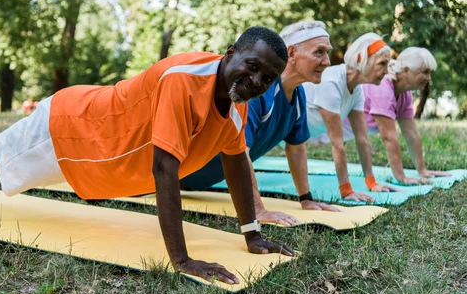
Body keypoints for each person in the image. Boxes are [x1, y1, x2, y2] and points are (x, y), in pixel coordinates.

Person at [0, 26, 295, 285]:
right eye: (252, 65)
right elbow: (164, 169)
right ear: (230, 53)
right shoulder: (183, 81)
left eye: (268, 78)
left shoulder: (235, 107)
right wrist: (181, 259)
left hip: (93, 157)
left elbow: (236, 162)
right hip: (73, 128)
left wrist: (252, 233)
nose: (256, 80)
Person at [181, 21, 341, 226]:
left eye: (327, 53)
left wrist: (306, 199)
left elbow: (296, 149)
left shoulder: (298, 95)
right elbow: (240, 152)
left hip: (197, 184)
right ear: (291, 53)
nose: (327, 62)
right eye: (319, 52)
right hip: (175, 174)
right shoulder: (257, 91)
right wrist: (256, 209)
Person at [303, 33, 400, 203]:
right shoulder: (331, 82)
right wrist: (347, 191)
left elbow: (362, 139)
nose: (386, 71)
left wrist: (372, 182)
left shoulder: (356, 89)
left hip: (296, 136)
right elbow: (337, 144)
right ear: (361, 59)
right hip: (278, 129)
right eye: (382, 64)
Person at [360, 47, 450, 184]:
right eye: (425, 72)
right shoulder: (382, 88)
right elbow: (388, 137)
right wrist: (402, 178)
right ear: (406, 70)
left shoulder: (405, 93)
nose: (429, 78)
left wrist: (422, 170)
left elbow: (412, 133)